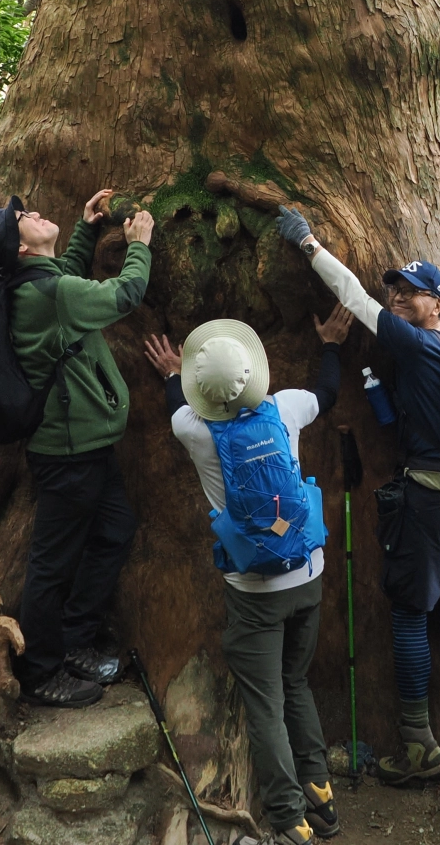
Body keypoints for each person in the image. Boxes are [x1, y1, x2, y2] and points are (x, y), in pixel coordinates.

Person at [274, 200, 440, 786]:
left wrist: (306, 242)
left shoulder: (417, 345)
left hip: (427, 507)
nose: (398, 297)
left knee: (408, 616)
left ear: (435, 305)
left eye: (413, 291)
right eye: (395, 289)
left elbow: (351, 294)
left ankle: (421, 745)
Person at [141, 311, 353, 845]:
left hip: (254, 591)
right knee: (295, 681)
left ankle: (288, 818)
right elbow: (327, 392)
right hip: (308, 573)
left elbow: (176, 405)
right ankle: (321, 797)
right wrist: (329, 344)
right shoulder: (287, 408)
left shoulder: (194, 430)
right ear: (255, 373)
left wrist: (171, 374)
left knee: (265, 704)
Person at [0, 188, 155, 707]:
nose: (32, 212)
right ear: (23, 249)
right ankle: (41, 673)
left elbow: (64, 275)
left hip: (87, 447)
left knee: (115, 530)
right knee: (50, 566)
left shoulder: (34, 283)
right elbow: (124, 295)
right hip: (68, 455)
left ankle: (75, 638)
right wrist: (139, 242)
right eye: (23, 219)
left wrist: (85, 228)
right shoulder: (49, 295)